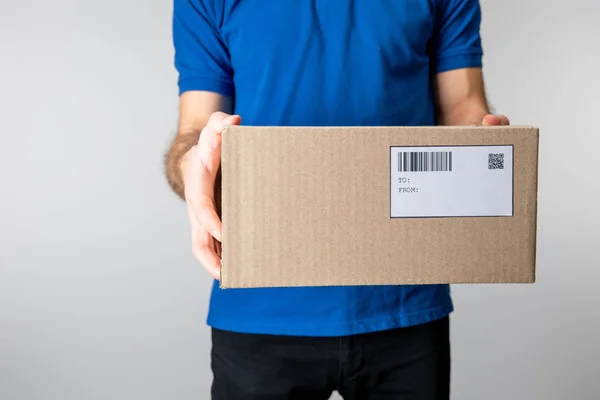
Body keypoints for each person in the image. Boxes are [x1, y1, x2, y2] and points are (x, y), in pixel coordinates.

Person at [164, 0, 509, 398]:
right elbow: (195, 131)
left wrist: (484, 146)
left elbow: (464, 107)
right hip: (259, 300)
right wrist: (193, 168)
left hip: (403, 297)